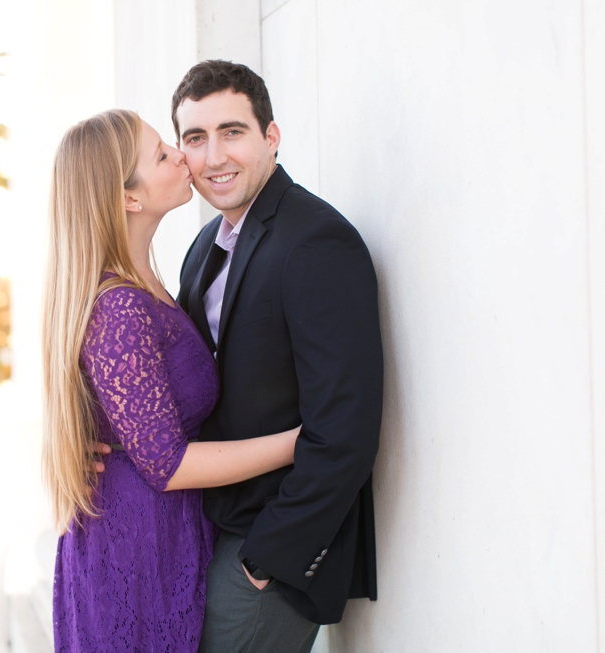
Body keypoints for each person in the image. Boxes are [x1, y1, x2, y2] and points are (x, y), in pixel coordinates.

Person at [42, 109, 304, 652]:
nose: (183, 156)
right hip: (136, 550)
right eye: (163, 153)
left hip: (161, 533)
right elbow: (167, 464)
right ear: (129, 198)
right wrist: (300, 444)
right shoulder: (120, 309)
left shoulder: (152, 281)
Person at [172, 61, 384, 652]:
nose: (214, 156)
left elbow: (345, 429)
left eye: (232, 131)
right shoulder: (203, 247)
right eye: (195, 138)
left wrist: (267, 560)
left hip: (271, 549)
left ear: (271, 136)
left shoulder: (315, 241)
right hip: (215, 531)